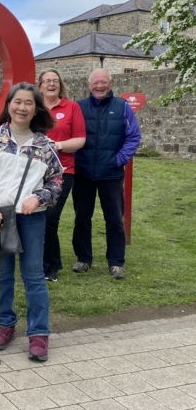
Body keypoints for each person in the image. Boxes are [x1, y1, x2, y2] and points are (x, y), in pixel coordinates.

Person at [0, 83, 63, 362]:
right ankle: (4, 324)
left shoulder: (45, 145)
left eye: (29, 103)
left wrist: (39, 197)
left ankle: (38, 333)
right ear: (8, 105)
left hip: (31, 219)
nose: (22, 107)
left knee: (34, 276)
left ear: (36, 109)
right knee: (2, 274)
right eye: (17, 102)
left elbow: (57, 181)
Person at [72, 69, 141, 280]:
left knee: (114, 220)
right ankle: (83, 259)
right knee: (82, 218)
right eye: (96, 83)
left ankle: (116, 262)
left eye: (103, 82)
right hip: (83, 174)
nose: (99, 86)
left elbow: (133, 137)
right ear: (89, 84)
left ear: (110, 83)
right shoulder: (79, 107)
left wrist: (118, 160)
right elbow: (69, 134)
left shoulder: (122, 107)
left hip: (111, 175)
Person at [38, 68, 86, 282]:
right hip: (34, 171)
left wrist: (55, 146)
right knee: (38, 217)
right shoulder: (33, 108)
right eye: (47, 81)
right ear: (39, 85)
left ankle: (48, 268)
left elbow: (80, 140)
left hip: (63, 170)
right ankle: (52, 261)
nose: (51, 84)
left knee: (50, 217)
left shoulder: (71, 107)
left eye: (55, 81)